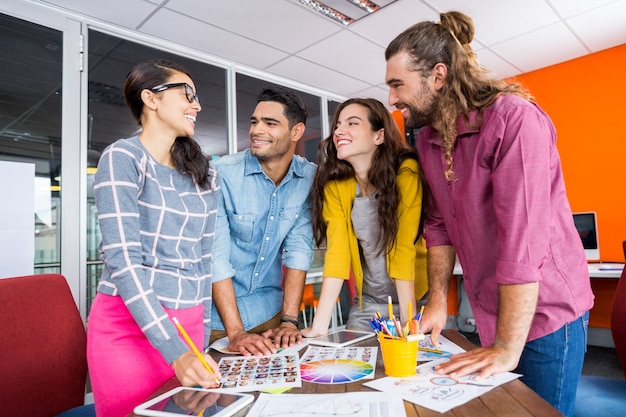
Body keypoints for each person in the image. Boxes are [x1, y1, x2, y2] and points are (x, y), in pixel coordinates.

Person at [384, 11, 594, 417]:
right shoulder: (428, 138)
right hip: (492, 308)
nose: (392, 98)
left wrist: (506, 348)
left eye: (397, 84)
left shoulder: (514, 120)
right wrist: (438, 302)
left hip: (548, 312)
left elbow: (523, 242)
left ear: (438, 76)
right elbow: (439, 224)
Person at [87, 59, 222, 417]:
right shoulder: (123, 157)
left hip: (189, 328)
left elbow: (204, 262)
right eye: (187, 94)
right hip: (128, 329)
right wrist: (173, 349)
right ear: (151, 98)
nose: (197, 104)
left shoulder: (206, 175)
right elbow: (123, 261)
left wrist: (199, 340)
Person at [301, 98, 428, 337]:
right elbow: (337, 254)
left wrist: (408, 322)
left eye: (352, 123)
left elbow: (402, 248)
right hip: (368, 302)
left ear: (379, 136)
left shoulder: (406, 171)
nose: (339, 131)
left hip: (415, 299)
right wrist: (319, 327)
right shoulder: (336, 185)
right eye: (338, 124)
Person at [209, 86, 316, 356]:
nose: (257, 130)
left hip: (271, 315)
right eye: (255, 122)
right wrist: (236, 333)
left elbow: (299, 250)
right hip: (216, 323)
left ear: (296, 132)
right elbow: (215, 258)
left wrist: (290, 321)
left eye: (270, 123)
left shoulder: (308, 178)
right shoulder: (220, 174)